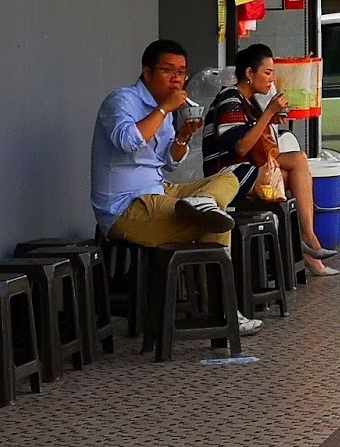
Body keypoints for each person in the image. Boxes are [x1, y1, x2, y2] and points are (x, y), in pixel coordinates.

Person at [90, 39, 262, 334]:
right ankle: (222, 310)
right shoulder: (121, 101)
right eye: (168, 70)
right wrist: (164, 109)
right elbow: (128, 141)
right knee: (216, 221)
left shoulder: (166, 112)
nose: (177, 79)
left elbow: (169, 161)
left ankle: (205, 202)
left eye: (182, 72)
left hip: (160, 190)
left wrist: (183, 137)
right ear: (147, 73)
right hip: (126, 206)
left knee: (230, 176)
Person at [203, 44, 340, 276]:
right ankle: (308, 245)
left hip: (247, 168)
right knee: (288, 174)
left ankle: (308, 239)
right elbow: (240, 146)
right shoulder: (230, 98)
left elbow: (261, 146)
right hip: (228, 175)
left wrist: (272, 118)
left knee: (298, 160)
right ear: (249, 73)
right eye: (267, 73)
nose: (271, 79)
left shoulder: (249, 102)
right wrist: (268, 113)